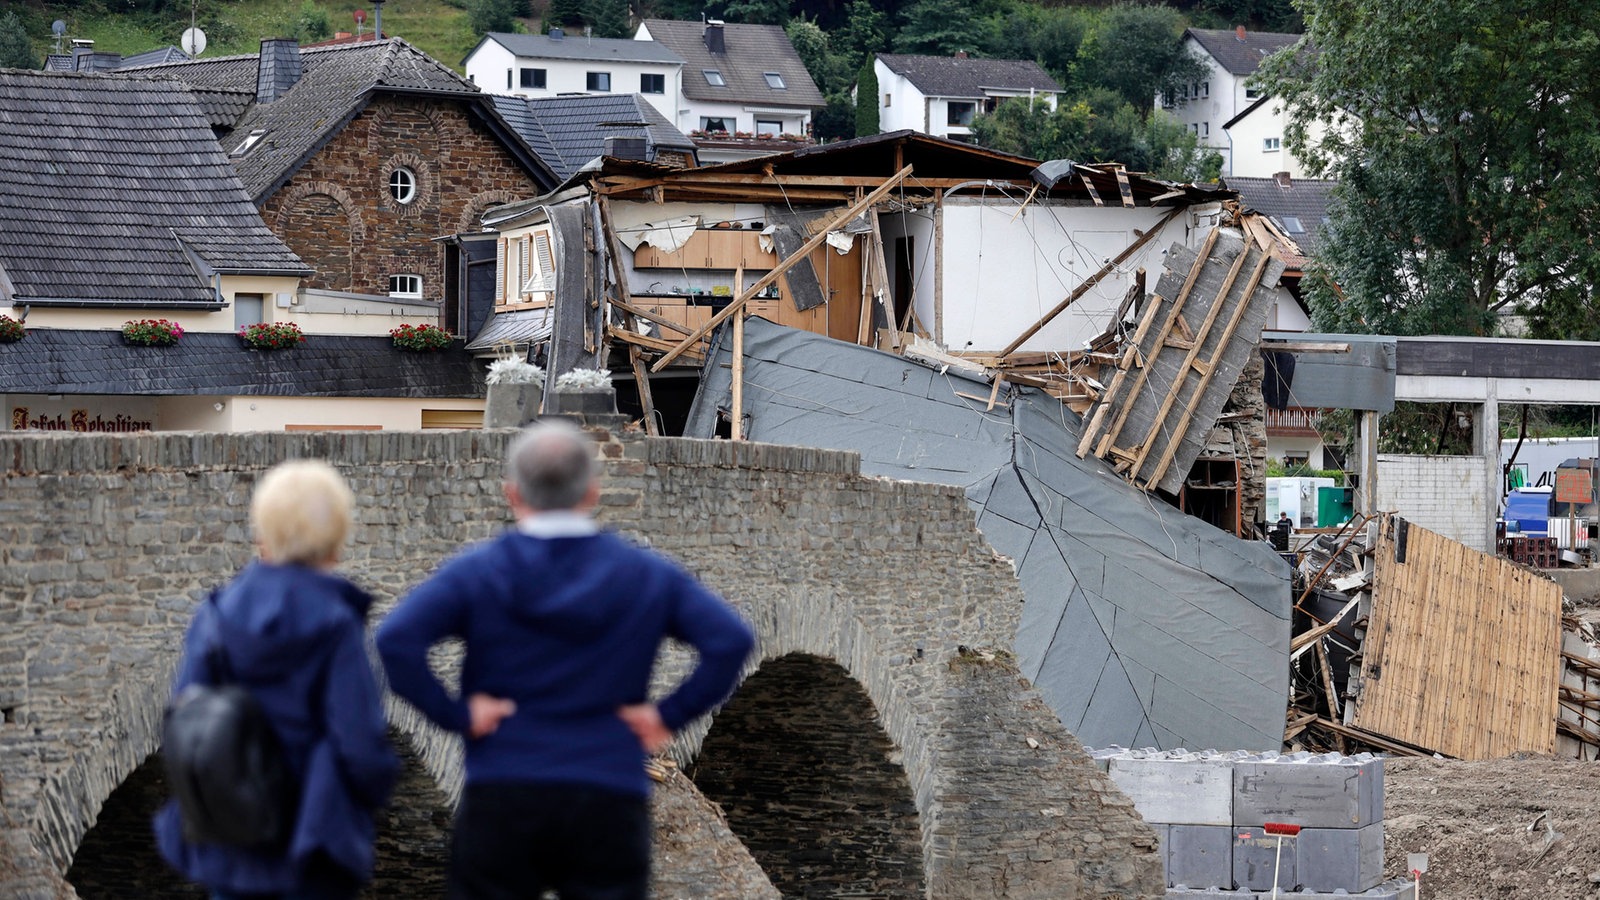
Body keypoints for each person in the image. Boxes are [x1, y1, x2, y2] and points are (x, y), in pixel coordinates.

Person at [376, 420, 756, 900]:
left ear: (513, 495)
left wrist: (454, 715)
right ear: (592, 493)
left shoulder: (479, 571)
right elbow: (730, 640)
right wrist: (668, 715)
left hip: (505, 787)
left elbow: (395, 640)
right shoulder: (642, 573)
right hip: (607, 791)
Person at [155, 460, 398, 900]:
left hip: (234, 838)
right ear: (336, 541)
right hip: (313, 845)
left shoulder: (215, 614)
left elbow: (185, 725)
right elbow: (360, 745)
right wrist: (369, 800)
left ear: (263, 533)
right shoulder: (336, 623)